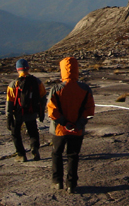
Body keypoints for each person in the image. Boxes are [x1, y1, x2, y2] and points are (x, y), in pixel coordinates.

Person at [47, 56, 95, 194]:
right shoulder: (85, 89)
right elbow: (90, 110)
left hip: (59, 130)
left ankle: (57, 182)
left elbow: (52, 111)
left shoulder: (56, 89)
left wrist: (64, 123)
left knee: (57, 154)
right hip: (77, 130)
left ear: (62, 70)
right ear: (76, 70)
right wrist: (78, 124)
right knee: (73, 155)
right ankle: (71, 184)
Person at [6, 58, 47, 162]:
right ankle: (35, 148)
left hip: (18, 113)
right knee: (33, 131)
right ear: (28, 68)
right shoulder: (37, 82)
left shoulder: (13, 84)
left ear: (17, 69)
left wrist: (9, 116)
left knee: (15, 133)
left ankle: (21, 154)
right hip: (31, 112)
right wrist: (41, 111)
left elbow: (10, 102)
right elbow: (43, 97)